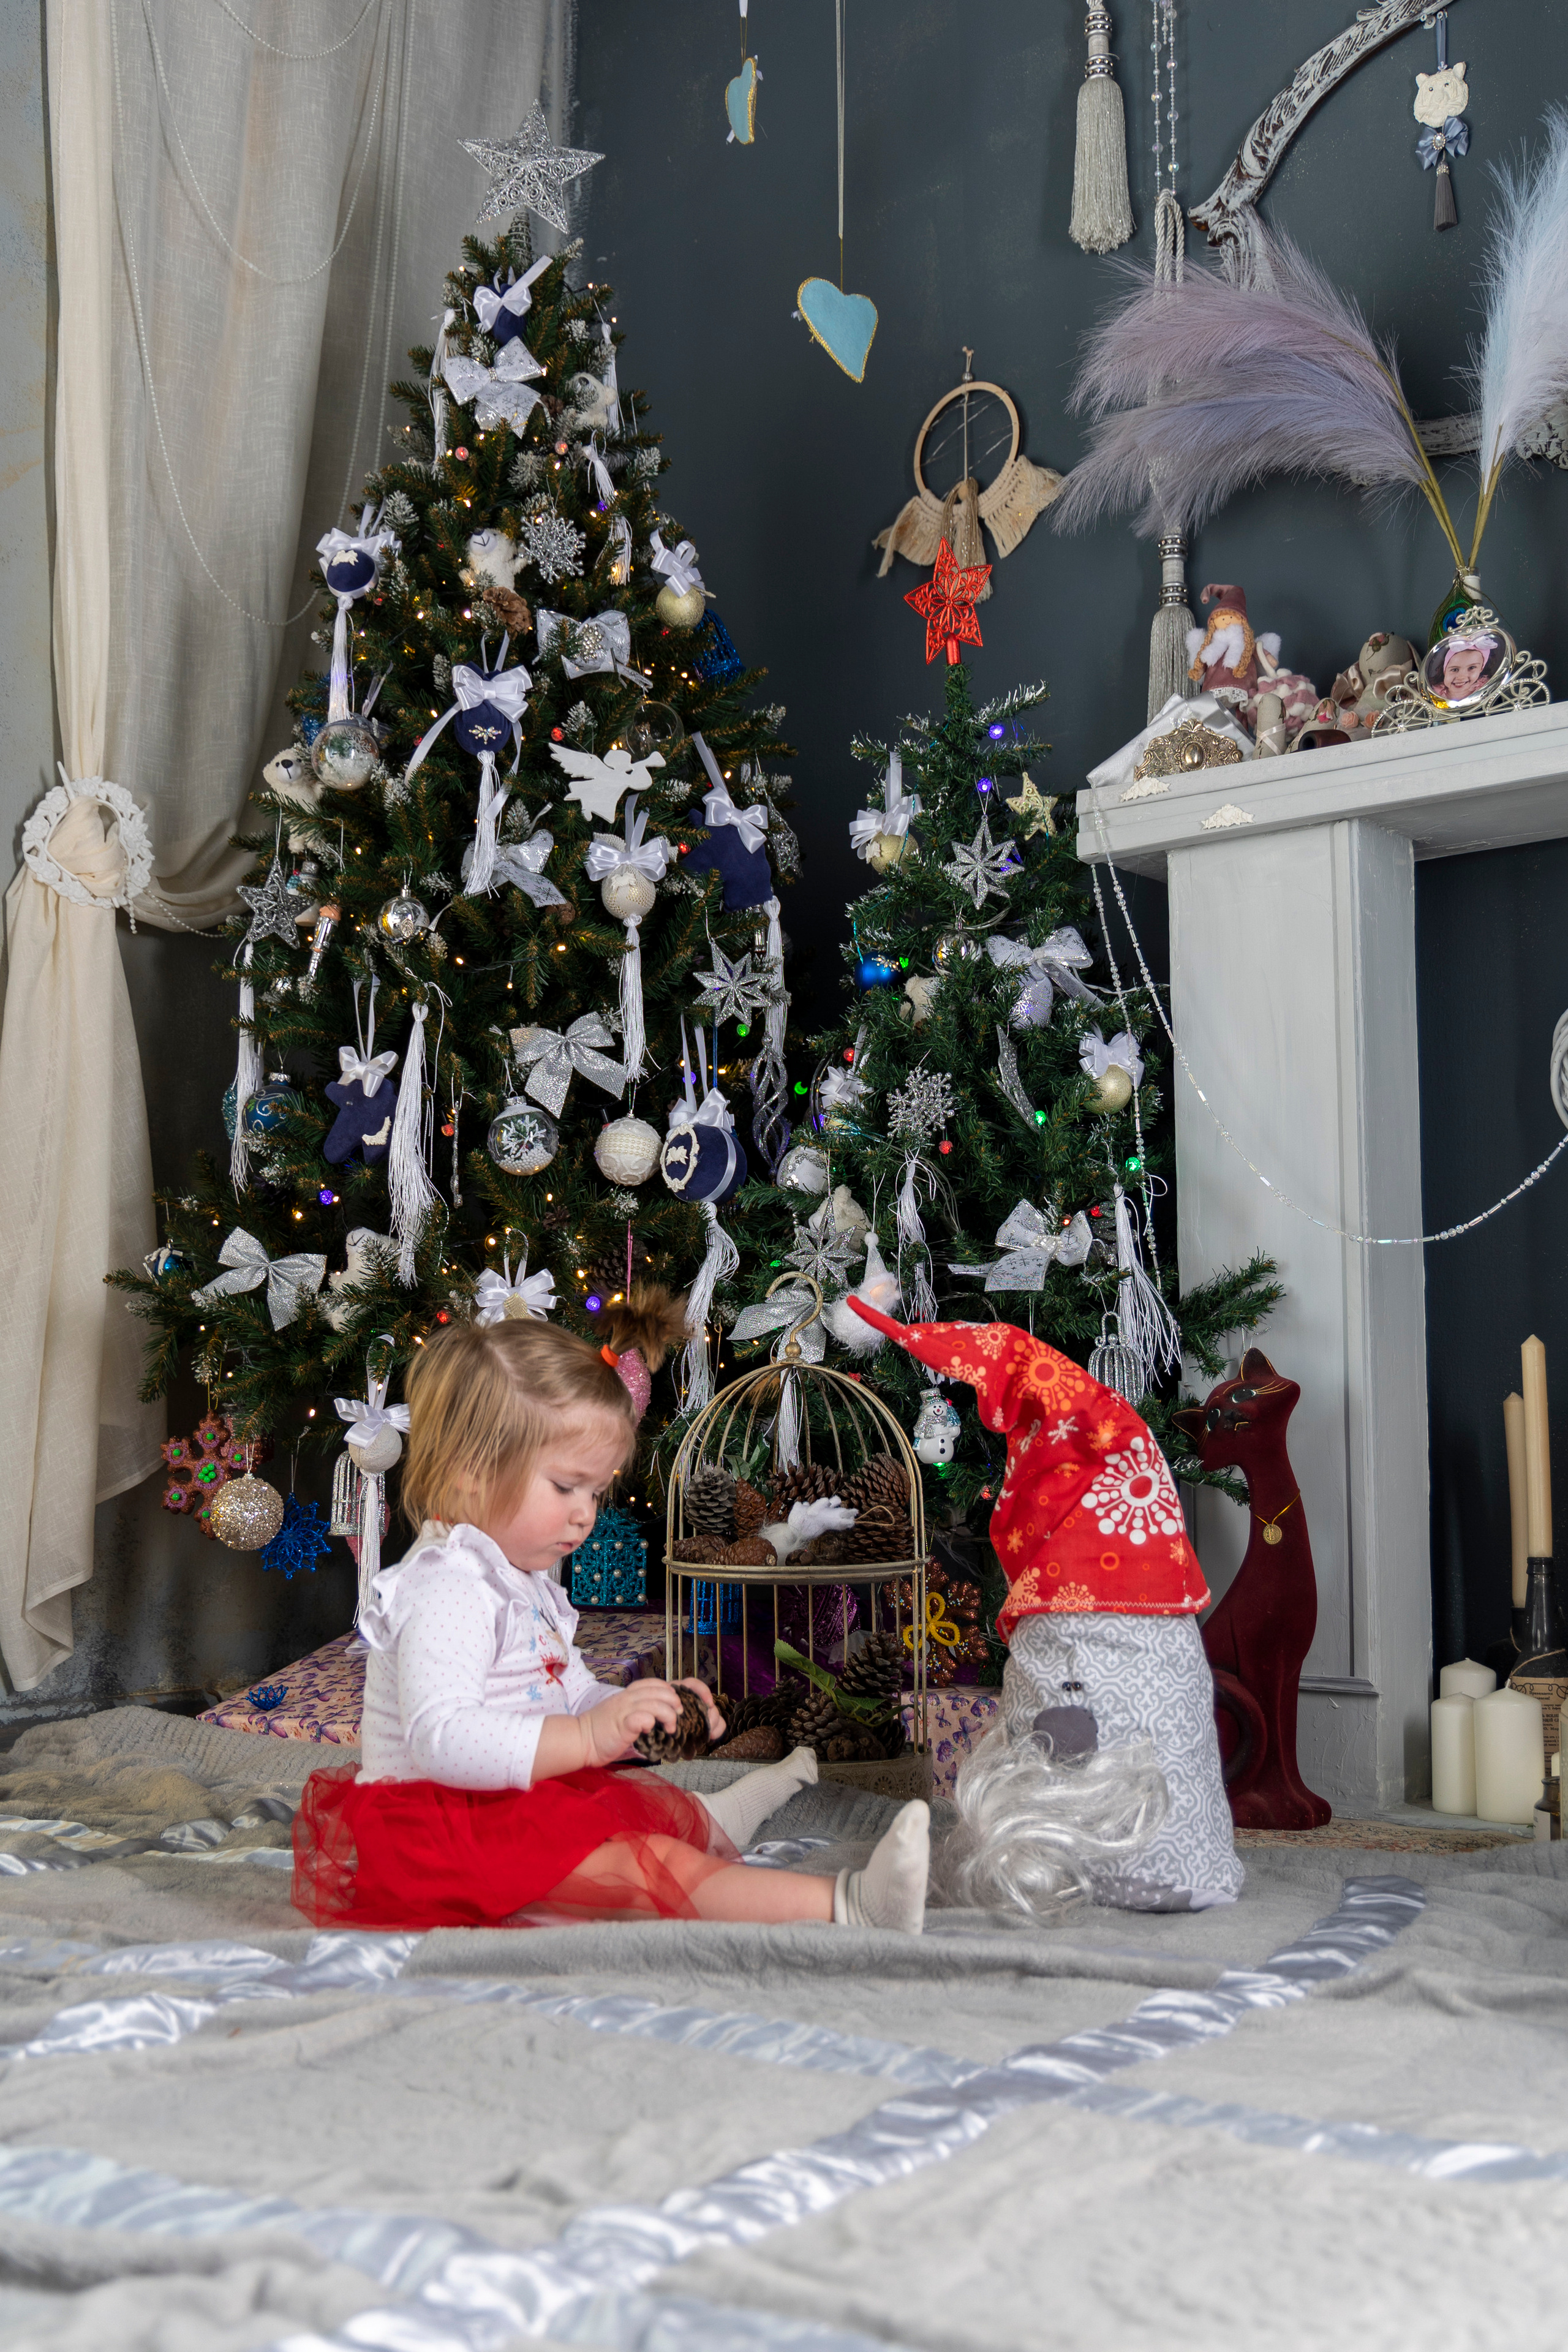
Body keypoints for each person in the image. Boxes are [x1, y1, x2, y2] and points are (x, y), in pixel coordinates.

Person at [292, 1317, 930, 1933]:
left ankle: (717, 1817)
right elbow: (443, 1739)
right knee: (642, 1868)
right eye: (567, 1487)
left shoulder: (521, 1578)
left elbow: (567, 1693)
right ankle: (848, 1906)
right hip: (437, 1840)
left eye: (595, 1494)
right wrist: (588, 1739)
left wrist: (628, 1712)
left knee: (637, 1819)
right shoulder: (447, 1585)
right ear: (472, 1470)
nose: (586, 1516)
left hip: (506, 1805)